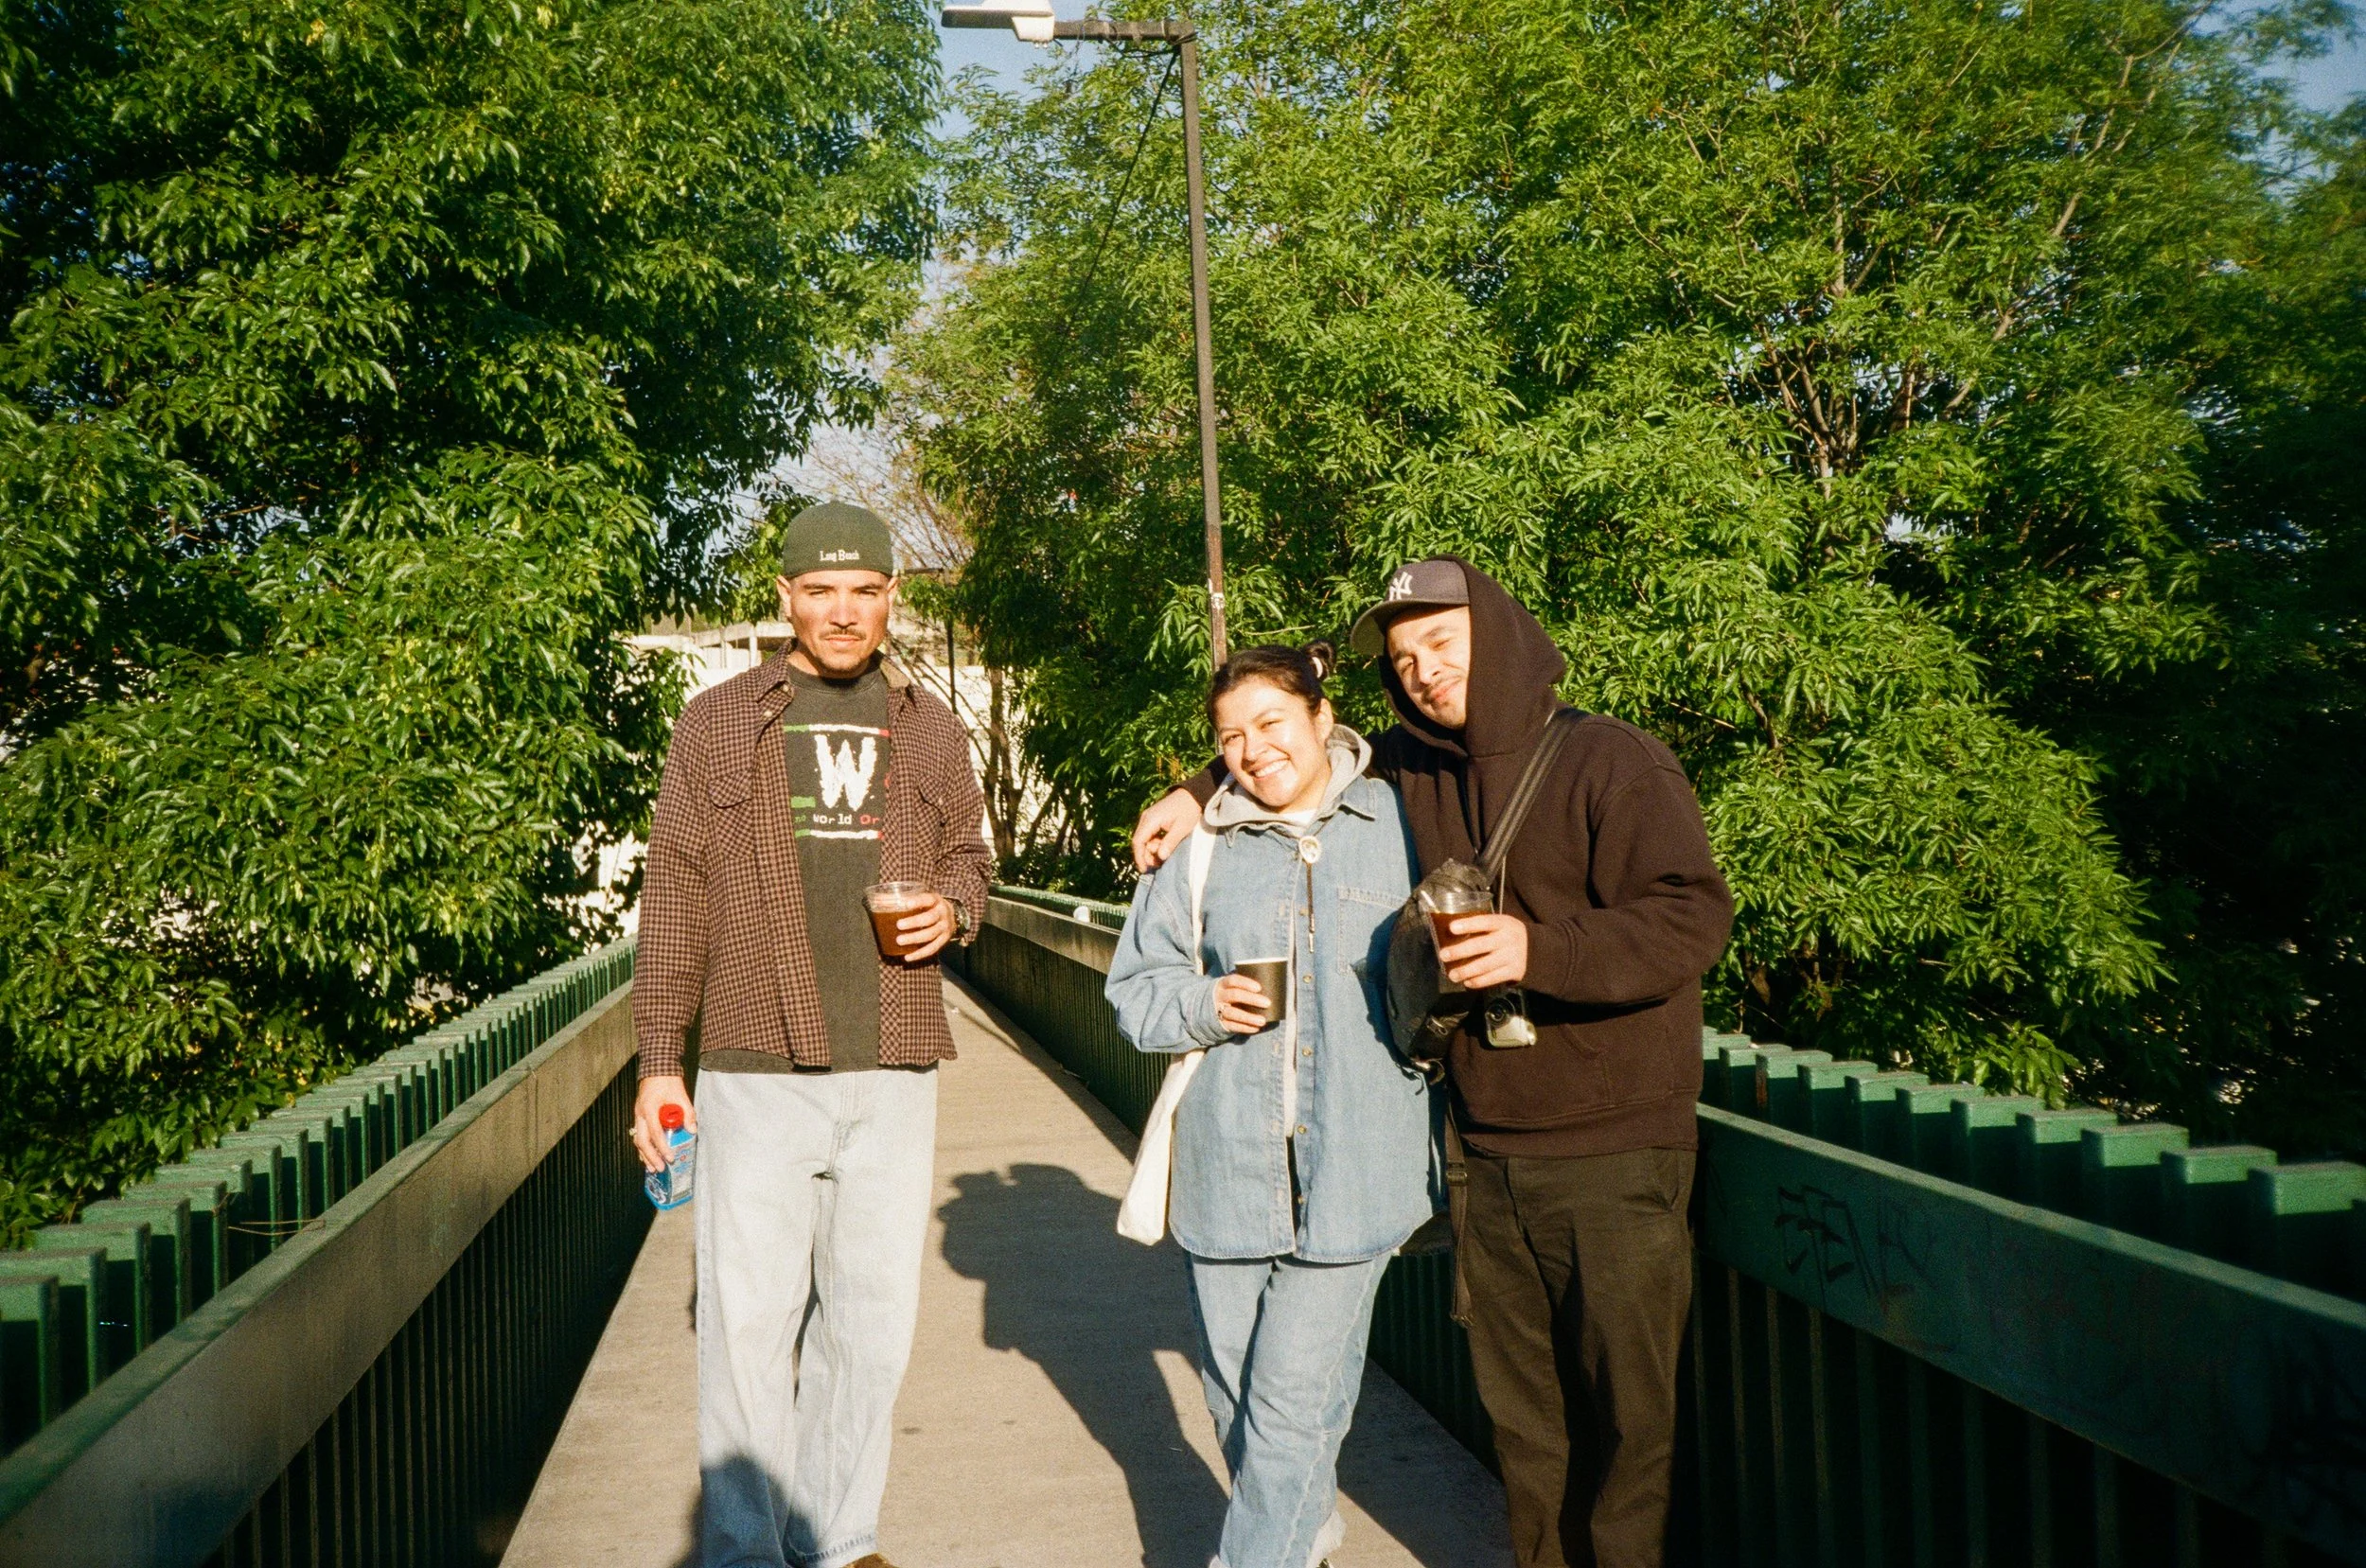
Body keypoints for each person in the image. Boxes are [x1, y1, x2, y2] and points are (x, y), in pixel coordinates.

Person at [1131, 560, 1734, 1568]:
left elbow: (1692, 916)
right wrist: (1197, 791)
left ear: (1497, 635)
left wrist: (1540, 950)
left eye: (1442, 642)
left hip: (1614, 1146)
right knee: (1528, 1428)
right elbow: (1286, 746)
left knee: (1630, 1422)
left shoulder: (1612, 759)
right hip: (1482, 1151)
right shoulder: (1410, 769)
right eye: (1405, 657)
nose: (1423, 669)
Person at [630, 502, 991, 1568]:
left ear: (892, 598)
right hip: (754, 1062)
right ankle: (744, 1552)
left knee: (870, 1328)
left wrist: (955, 908)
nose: (843, 611)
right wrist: (659, 1064)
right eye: (821, 590)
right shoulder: (718, 721)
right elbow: (675, 896)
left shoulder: (931, 725)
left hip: (895, 1061)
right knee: (746, 1327)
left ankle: (840, 1539)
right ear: (785, 595)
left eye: (864, 591)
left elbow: (971, 855)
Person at [1106, 643, 1437, 1568]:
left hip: (1359, 1167)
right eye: (1230, 737)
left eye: (1271, 723)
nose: (1253, 749)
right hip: (1227, 1170)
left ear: (1322, 718)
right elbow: (1134, 990)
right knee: (1239, 1401)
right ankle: (1305, 1537)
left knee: (1291, 1401)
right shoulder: (1199, 847)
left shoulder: (1402, 824)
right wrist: (1202, 1004)